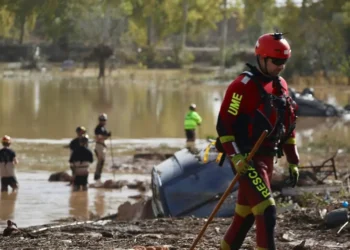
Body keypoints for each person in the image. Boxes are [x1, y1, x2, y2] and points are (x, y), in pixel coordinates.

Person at [216, 33, 300, 250]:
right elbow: (224, 126)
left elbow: (286, 124)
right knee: (266, 211)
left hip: (269, 157)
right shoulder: (241, 86)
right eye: (276, 61)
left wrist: (293, 159)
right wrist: (236, 157)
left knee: (244, 216)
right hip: (248, 158)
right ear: (261, 58)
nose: (281, 66)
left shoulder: (281, 85)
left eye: (284, 62)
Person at [94, 113, 111, 183]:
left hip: (102, 145)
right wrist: (106, 136)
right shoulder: (98, 128)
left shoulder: (103, 128)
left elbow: (103, 137)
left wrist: (107, 136)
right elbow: (98, 138)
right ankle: (97, 176)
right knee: (100, 161)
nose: (103, 121)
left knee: (101, 161)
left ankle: (98, 176)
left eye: (104, 120)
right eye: (102, 120)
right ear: (99, 120)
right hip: (99, 146)